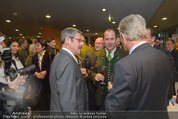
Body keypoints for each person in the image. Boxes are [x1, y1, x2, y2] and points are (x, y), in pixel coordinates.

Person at [105, 14, 172, 119]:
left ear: (123, 37)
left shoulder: (124, 65)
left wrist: (111, 90)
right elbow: (168, 95)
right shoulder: (164, 57)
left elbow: (114, 112)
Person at [50, 27, 88, 113]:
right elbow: (67, 103)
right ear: (67, 40)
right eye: (79, 40)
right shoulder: (66, 61)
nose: (82, 44)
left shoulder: (60, 56)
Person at [90, 28, 128, 110]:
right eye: (107, 39)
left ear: (116, 39)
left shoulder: (125, 54)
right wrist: (95, 76)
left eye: (112, 39)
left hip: (118, 98)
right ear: (103, 40)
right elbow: (92, 71)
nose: (109, 42)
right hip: (101, 98)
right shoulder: (97, 54)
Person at [146, 27, 177, 97]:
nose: (142, 40)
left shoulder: (163, 53)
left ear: (153, 38)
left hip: (160, 94)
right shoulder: (138, 53)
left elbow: (173, 75)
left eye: (145, 37)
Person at [83, 37, 104, 110]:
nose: (97, 45)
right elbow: (86, 69)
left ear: (103, 44)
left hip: (102, 85)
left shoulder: (107, 55)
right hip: (91, 84)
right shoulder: (89, 55)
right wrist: (94, 75)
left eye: (99, 43)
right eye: (96, 43)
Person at [32, 39, 51, 110]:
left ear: (43, 47)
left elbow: (54, 67)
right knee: (42, 105)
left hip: (49, 83)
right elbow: (32, 68)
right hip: (39, 84)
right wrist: (35, 73)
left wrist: (46, 71)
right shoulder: (34, 57)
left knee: (50, 102)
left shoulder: (50, 55)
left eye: (38, 45)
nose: (36, 47)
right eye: (35, 45)